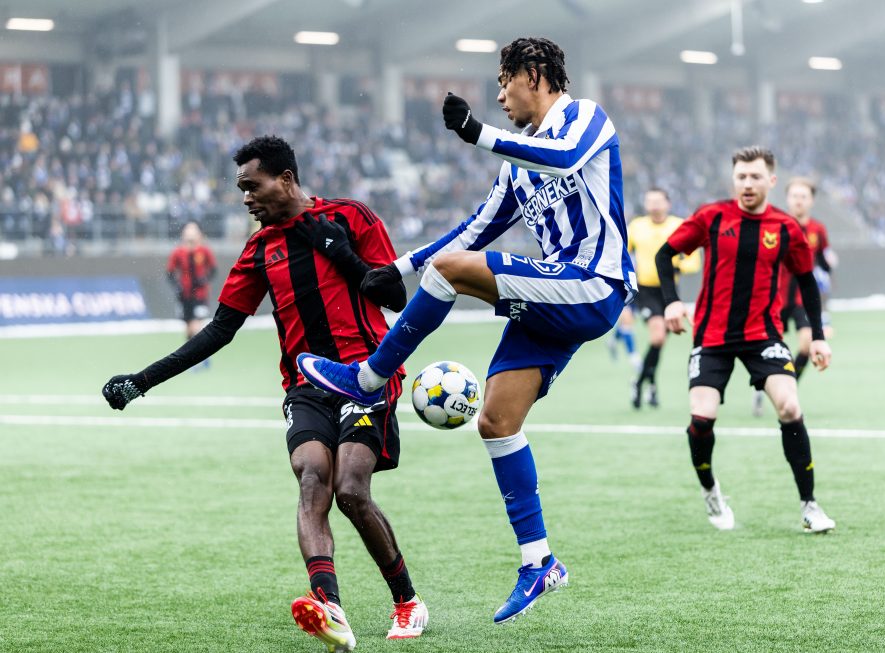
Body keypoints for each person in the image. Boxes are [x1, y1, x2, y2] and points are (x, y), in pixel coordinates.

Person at [296, 37, 636, 624]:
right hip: (554, 294)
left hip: (592, 282)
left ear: (535, 75)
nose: (500, 96)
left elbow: (562, 160)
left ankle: (369, 378)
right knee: (496, 421)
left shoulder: (584, 118)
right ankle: (539, 562)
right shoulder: (516, 164)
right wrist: (400, 268)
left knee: (453, 273)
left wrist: (477, 133)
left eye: (505, 82)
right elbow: (477, 228)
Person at [102, 135, 427, 651]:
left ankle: (407, 602)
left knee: (350, 489)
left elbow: (395, 295)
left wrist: (340, 253)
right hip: (305, 386)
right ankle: (330, 608)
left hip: (366, 376)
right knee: (312, 478)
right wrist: (142, 381)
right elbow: (219, 329)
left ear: (286, 179)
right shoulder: (259, 249)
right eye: (242, 190)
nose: (246, 199)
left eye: (252, 187)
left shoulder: (350, 217)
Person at [655, 146, 836, 534]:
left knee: (790, 406)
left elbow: (807, 282)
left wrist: (818, 337)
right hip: (712, 336)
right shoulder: (712, 216)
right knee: (701, 419)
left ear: (771, 180)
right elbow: (664, 254)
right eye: (741, 177)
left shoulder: (786, 228)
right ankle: (710, 491)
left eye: (755, 177)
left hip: (763, 335)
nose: (747, 184)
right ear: (733, 179)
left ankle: (810, 505)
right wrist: (671, 302)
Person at [752, 177, 837, 416]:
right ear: (787, 198)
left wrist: (827, 265)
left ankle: (788, 389)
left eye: (803, 196)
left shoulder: (818, 230)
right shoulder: (774, 225)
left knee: (807, 344)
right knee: (767, 347)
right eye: (794, 196)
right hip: (774, 298)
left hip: (802, 299)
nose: (798, 201)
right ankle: (762, 387)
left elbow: (824, 263)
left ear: (811, 201)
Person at [625, 187, 701, 408]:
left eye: (658, 201)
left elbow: (693, 258)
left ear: (668, 203)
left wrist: (679, 266)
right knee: (657, 338)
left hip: (669, 292)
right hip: (646, 290)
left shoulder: (679, 225)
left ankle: (645, 383)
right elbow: (622, 254)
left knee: (659, 344)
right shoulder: (636, 226)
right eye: (650, 201)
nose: (654, 205)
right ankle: (643, 384)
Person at [167, 221, 217, 343]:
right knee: (189, 327)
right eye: (188, 230)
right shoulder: (178, 252)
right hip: (184, 295)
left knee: (197, 324)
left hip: (200, 294)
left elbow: (213, 269)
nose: (191, 233)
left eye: (194, 230)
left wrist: (204, 279)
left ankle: (199, 350)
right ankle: (192, 349)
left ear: (199, 234)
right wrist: (177, 286)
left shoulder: (204, 251)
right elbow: (170, 272)